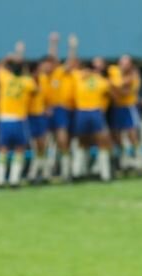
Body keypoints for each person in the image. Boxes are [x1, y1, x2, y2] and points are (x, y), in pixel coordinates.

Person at [0, 53, 36, 188]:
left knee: (3, 149)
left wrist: (8, 57)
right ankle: (14, 179)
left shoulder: (5, 78)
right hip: (19, 119)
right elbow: (35, 90)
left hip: (4, 119)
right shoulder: (27, 82)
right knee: (19, 149)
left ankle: (0, 180)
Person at [72, 61, 112, 182]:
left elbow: (109, 92)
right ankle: (78, 172)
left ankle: (104, 174)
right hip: (85, 111)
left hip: (92, 111)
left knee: (99, 141)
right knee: (84, 142)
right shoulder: (78, 76)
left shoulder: (99, 80)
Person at [46, 32, 79, 180]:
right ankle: (50, 170)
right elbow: (51, 58)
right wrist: (53, 43)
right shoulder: (49, 74)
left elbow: (69, 62)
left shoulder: (62, 73)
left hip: (64, 109)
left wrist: (72, 47)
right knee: (52, 141)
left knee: (64, 140)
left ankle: (66, 171)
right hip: (51, 110)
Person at [108, 55, 142, 175]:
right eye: (122, 63)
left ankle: (139, 163)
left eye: (127, 63)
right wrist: (119, 86)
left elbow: (127, 92)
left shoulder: (135, 75)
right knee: (117, 137)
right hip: (116, 108)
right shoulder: (113, 70)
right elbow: (114, 86)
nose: (124, 66)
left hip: (128, 107)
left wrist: (116, 87)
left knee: (132, 135)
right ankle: (124, 163)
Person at [27, 58, 54, 183]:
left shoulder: (44, 80)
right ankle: (33, 174)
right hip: (30, 116)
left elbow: (47, 97)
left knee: (43, 145)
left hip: (41, 116)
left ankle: (44, 173)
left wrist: (47, 107)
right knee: (35, 146)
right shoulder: (26, 82)